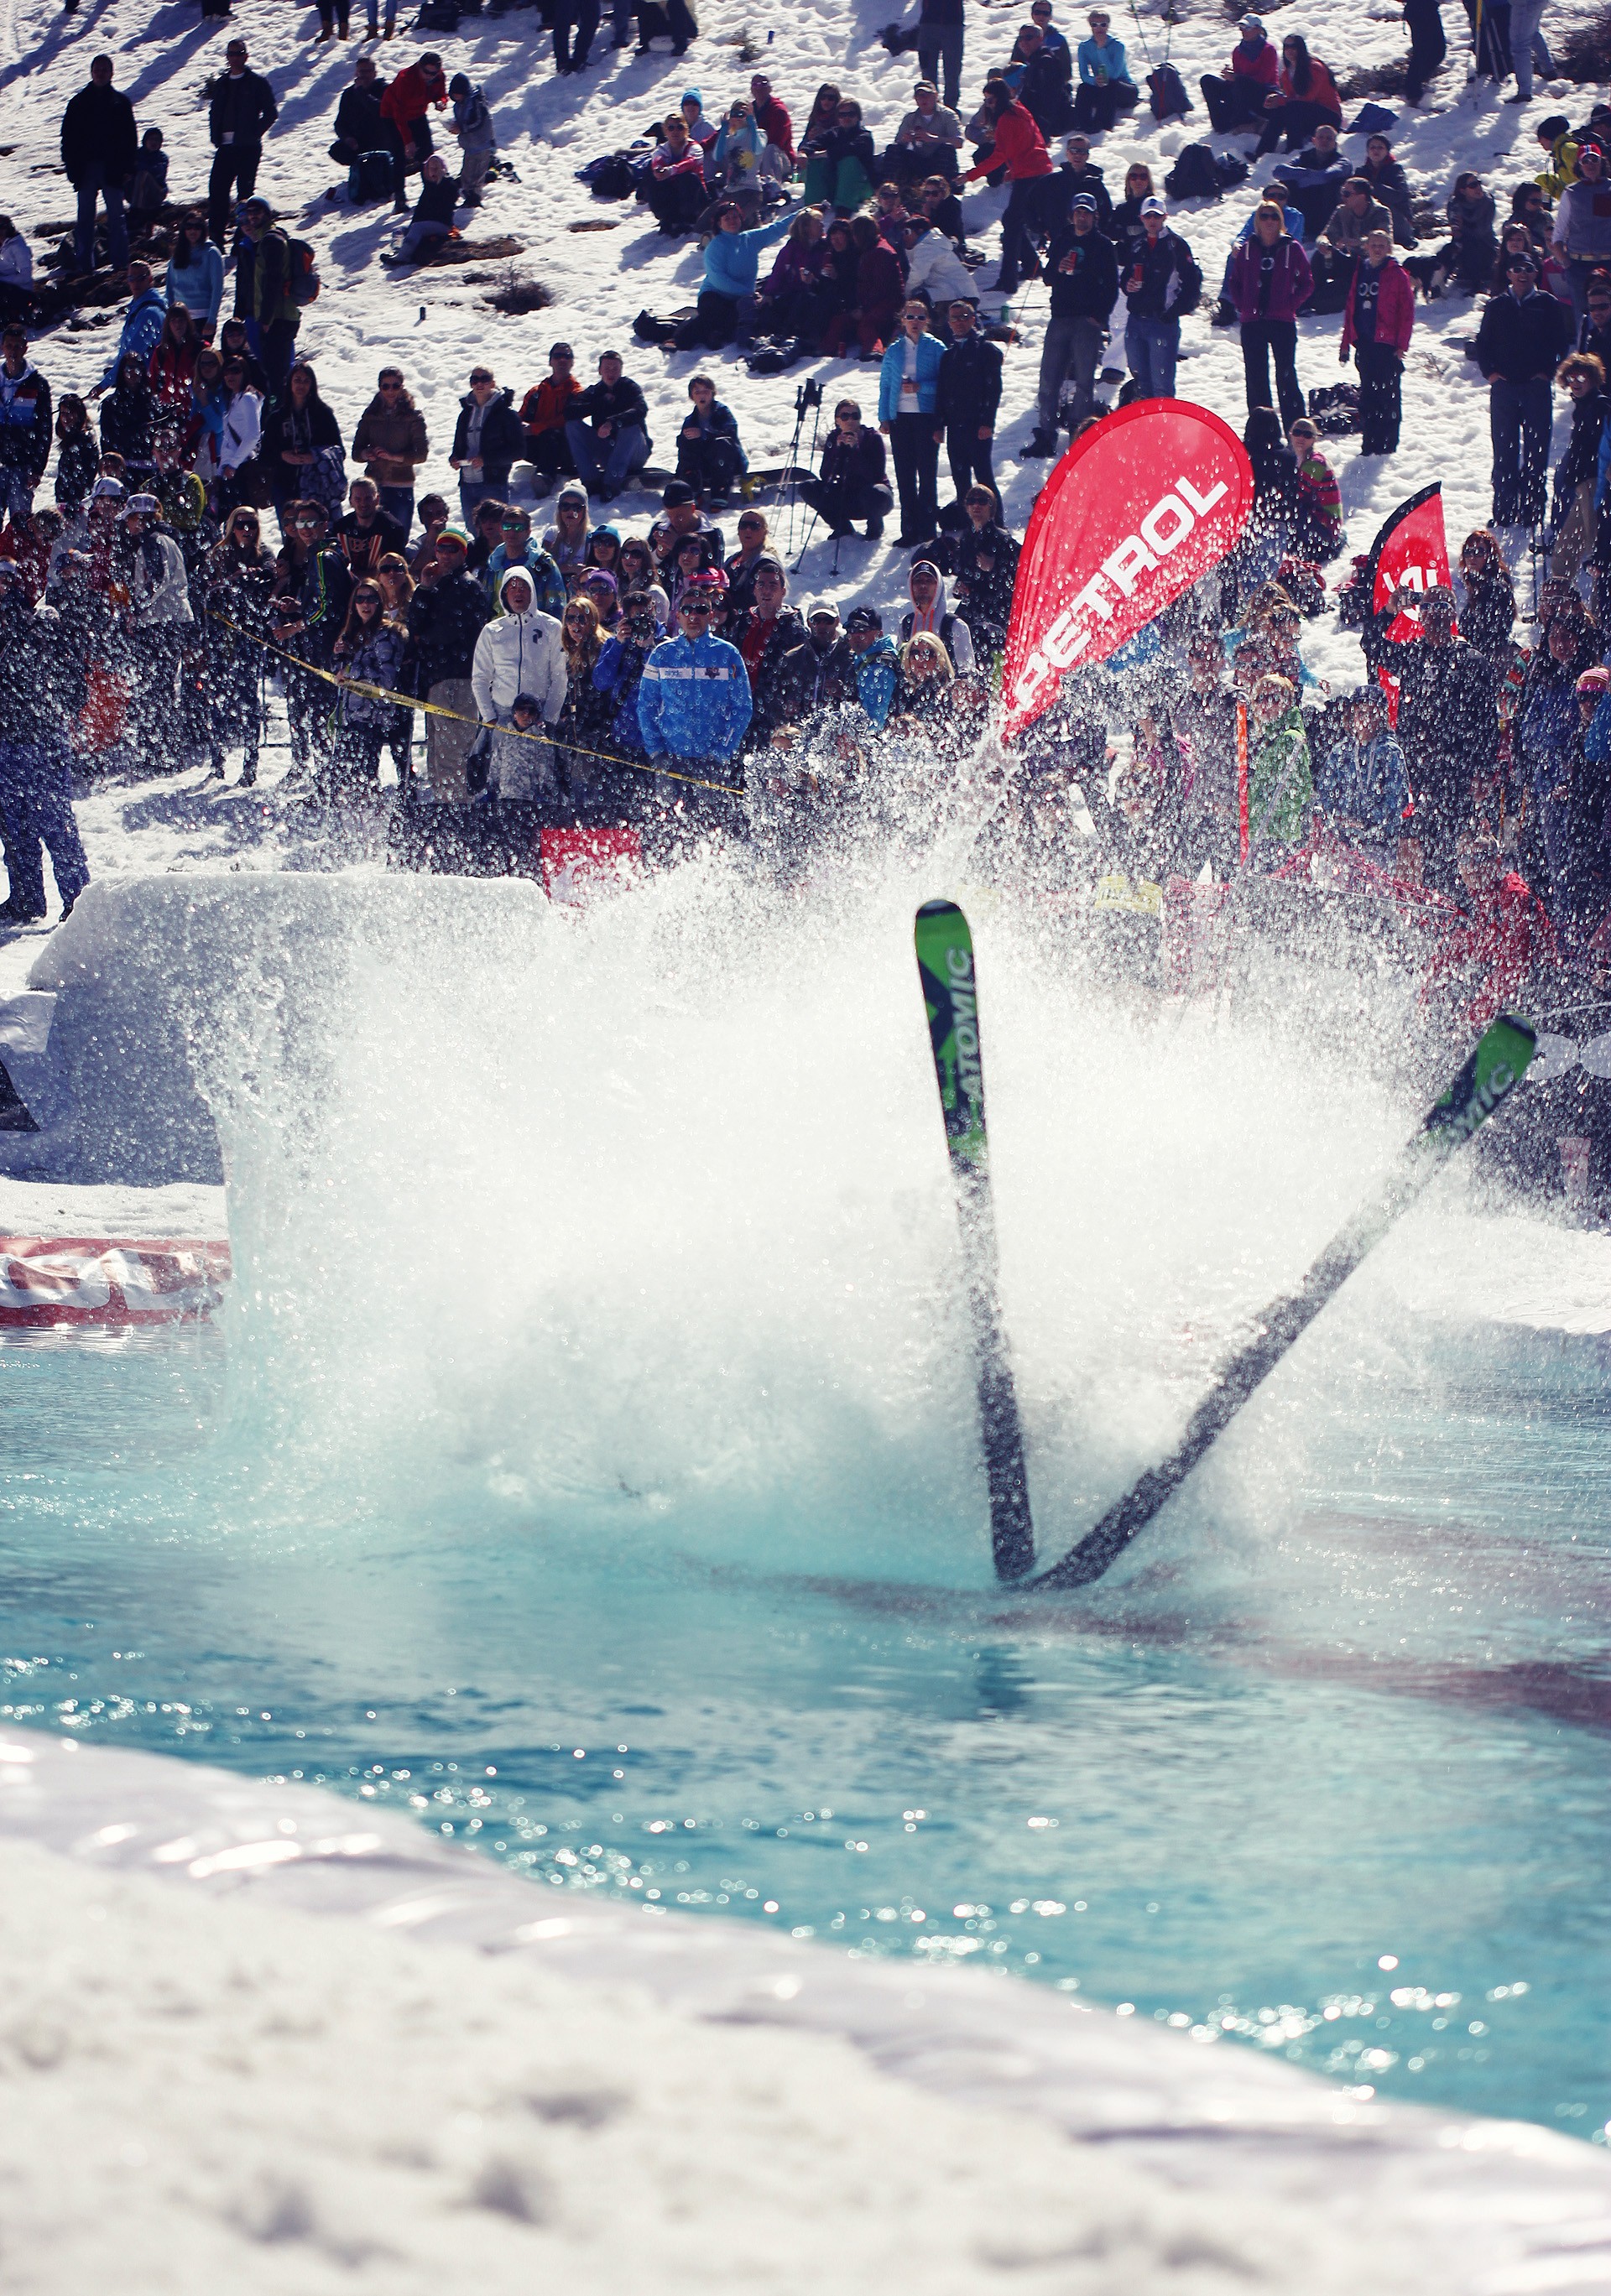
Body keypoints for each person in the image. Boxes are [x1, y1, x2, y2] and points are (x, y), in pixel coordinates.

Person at [1392, 586, 1499, 884]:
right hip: (1421, 769)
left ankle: (1456, 905)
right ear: (1419, 615)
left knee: (1458, 847)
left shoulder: (1471, 660)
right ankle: (1433, 905)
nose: (1434, 614)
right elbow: (1373, 646)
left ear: (1453, 614)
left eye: (1441, 607)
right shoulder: (1414, 655)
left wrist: (1484, 769)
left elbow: (1487, 723)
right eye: (1427, 608)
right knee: (1425, 847)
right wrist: (1390, 610)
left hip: (1459, 770)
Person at [0, 570, 90, 923]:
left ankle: (77, 906)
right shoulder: (35, 633)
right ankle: (31, 900)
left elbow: (74, 692)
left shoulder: (35, 635)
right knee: (19, 827)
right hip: (24, 743)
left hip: (36, 743)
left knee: (49, 825)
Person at [637, 584, 753, 825]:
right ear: (678, 615)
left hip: (711, 760)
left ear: (711, 615)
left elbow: (742, 708)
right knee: (667, 828)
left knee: (711, 828)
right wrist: (656, 751)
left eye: (701, 609)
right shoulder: (662, 654)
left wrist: (722, 752)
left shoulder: (728, 654)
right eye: (687, 609)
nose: (693, 615)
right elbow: (646, 706)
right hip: (671, 757)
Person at [1475, 249, 1574, 528]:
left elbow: (1561, 342)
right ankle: (1504, 512)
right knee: (1504, 451)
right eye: (1517, 269)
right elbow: (1483, 343)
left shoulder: (1548, 304)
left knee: (1536, 451)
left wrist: (1547, 373)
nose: (1522, 274)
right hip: (1504, 389)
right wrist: (1490, 373)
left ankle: (1532, 512)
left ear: (1535, 274)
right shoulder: (1497, 305)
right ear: (1508, 274)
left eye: (1528, 269)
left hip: (1536, 389)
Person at [1026, 190, 1117, 456]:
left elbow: (1111, 286)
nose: (1082, 217)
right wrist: (1058, 268)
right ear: (1072, 215)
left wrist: (1099, 317)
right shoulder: (1063, 239)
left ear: (1094, 216)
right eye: (1078, 212)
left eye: (1086, 213)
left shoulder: (1103, 245)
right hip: (1060, 317)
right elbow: (1048, 277)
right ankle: (1046, 434)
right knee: (1049, 380)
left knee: (1084, 382)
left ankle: (1079, 434)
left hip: (1087, 321)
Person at [406, 523, 492, 801]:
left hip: (458, 679)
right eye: (440, 548)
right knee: (437, 754)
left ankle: (457, 811)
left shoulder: (468, 586)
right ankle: (445, 808)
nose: (444, 554)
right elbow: (413, 624)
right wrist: (423, 588)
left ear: (463, 553)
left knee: (454, 755)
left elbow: (451, 632)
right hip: (437, 680)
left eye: (452, 549)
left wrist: (424, 638)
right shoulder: (437, 584)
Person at [202, 507, 277, 784]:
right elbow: (205, 588)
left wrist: (248, 579)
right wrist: (232, 581)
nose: (247, 530)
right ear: (232, 527)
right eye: (241, 524)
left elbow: (269, 577)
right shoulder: (218, 554)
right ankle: (217, 762)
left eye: (252, 525)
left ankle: (250, 764)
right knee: (218, 699)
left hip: (249, 636)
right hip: (220, 635)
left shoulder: (263, 553)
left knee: (248, 699)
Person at [962, 85, 1056, 296]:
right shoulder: (1019, 109)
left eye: (990, 100)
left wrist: (970, 175)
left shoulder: (1006, 119)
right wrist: (1013, 170)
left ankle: (1008, 280)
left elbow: (999, 155)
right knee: (1013, 220)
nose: (988, 105)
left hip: (1029, 174)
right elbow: (1031, 141)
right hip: (1038, 169)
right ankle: (1031, 266)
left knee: (1012, 223)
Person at [1228, 203, 1312, 433]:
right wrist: (1243, 305)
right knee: (1256, 378)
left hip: (1282, 322)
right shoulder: (1248, 249)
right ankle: (1262, 431)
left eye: (1274, 217)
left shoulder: (1292, 248)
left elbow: (1307, 282)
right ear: (1257, 221)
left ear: (1280, 221)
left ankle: (1296, 430)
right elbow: (1234, 282)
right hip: (1252, 323)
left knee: (1286, 375)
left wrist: (1290, 305)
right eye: (1264, 216)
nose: (1269, 221)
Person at [675, 201, 793, 351]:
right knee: (719, 315)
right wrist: (749, 293)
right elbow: (719, 280)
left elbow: (777, 229)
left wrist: (805, 211)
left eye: (735, 217)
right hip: (715, 296)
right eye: (727, 218)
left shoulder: (750, 239)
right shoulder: (715, 246)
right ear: (719, 223)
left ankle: (716, 333)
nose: (732, 221)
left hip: (740, 299)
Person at [60, 55, 137, 281]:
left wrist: (128, 167)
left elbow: (130, 139)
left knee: (116, 217)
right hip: (85, 169)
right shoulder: (78, 103)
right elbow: (68, 139)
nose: (100, 73)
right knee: (85, 219)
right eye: (97, 69)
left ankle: (120, 265)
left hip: (113, 168)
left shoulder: (120, 103)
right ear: (91, 72)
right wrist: (72, 168)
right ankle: (84, 266)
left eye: (104, 70)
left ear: (112, 73)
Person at [1315, 685, 1410, 862]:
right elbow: (1324, 791)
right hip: (1342, 841)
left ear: (1382, 717)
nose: (1366, 720)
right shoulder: (1341, 751)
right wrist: (1337, 818)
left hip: (1379, 843)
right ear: (1352, 716)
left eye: (1373, 714)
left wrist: (1368, 822)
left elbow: (1398, 798)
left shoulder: (1390, 751)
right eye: (1361, 713)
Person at [1342, 228, 1415, 456]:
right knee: (1368, 396)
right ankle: (1369, 442)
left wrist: (1401, 345)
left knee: (1388, 396)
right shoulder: (1361, 271)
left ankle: (1387, 445)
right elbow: (1351, 307)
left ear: (1389, 249)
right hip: (1365, 342)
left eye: (1382, 245)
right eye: (1373, 245)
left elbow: (1407, 312)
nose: (1377, 249)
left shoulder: (1397, 275)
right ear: (1366, 247)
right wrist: (1346, 342)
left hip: (1387, 345)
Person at [879, 300, 945, 547]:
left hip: (926, 417)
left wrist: (920, 387)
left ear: (927, 321)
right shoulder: (894, 350)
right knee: (905, 474)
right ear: (902, 320)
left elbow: (945, 384)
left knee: (927, 474)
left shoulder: (936, 348)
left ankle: (927, 530)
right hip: (900, 417)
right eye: (910, 317)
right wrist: (884, 417)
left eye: (920, 317)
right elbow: (886, 384)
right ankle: (908, 531)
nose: (915, 322)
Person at [1124, 200, 1200, 402]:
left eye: (1156, 216)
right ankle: (1148, 422)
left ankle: (1164, 422)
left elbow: (1191, 285)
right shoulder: (1137, 244)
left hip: (1161, 323)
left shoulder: (1176, 245)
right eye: (1148, 216)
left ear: (1165, 217)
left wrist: (1172, 312)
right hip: (1135, 320)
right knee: (1141, 386)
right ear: (1141, 218)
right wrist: (1127, 285)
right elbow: (1125, 277)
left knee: (1162, 388)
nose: (1152, 220)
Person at [206, 42, 278, 250]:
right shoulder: (222, 83)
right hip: (225, 147)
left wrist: (253, 134)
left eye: (239, 54)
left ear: (246, 56)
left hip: (248, 148)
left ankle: (242, 241)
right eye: (231, 54)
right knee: (217, 193)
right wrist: (215, 134)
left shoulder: (257, 83)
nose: (235, 58)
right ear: (227, 57)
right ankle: (216, 241)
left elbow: (271, 113)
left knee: (244, 196)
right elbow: (215, 111)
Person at [260, 362, 344, 535]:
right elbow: (265, 456)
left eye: (306, 381)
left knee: (317, 535)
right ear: (289, 383)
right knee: (291, 535)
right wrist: (283, 456)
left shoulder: (323, 414)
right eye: (297, 380)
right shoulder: (277, 418)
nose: (301, 385)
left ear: (312, 384)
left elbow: (339, 450)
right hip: (285, 485)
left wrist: (316, 456)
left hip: (317, 485)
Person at [933, 298, 1001, 508]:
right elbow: (942, 392)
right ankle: (967, 523)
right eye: (954, 319)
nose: (959, 322)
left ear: (973, 319)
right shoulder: (949, 355)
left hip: (977, 425)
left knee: (984, 478)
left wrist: (987, 422)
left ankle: (996, 522)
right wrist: (939, 425)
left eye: (964, 317)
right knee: (960, 480)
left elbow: (993, 390)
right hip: (955, 427)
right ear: (949, 323)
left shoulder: (985, 350)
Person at [566, 351, 651, 504]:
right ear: (600, 371)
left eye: (615, 368)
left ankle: (611, 484)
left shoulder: (630, 388)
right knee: (572, 426)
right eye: (607, 368)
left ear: (621, 370)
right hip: (607, 451)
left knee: (631, 427)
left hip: (634, 453)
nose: (611, 372)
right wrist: (599, 403)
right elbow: (570, 412)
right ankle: (591, 480)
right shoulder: (595, 392)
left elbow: (640, 409)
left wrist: (613, 422)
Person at [803, 398, 894, 541]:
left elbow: (875, 475)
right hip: (846, 494)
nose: (850, 420)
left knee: (874, 493)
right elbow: (826, 475)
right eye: (845, 416)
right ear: (837, 420)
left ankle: (875, 529)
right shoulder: (834, 438)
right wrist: (837, 450)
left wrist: (856, 450)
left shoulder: (872, 438)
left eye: (855, 416)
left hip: (873, 497)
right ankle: (842, 527)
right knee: (808, 487)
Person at [351, 368, 427, 536]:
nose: (390, 391)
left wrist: (394, 457)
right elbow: (356, 452)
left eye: (395, 386)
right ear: (380, 387)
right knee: (371, 538)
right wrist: (366, 454)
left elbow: (421, 454)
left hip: (401, 485)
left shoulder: (412, 416)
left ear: (402, 387)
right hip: (374, 486)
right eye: (385, 386)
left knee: (398, 536)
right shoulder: (370, 415)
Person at [1551, 351, 1607, 583]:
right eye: (1571, 378)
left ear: (1593, 379)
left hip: (1596, 483)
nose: (1575, 383)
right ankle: (1558, 593)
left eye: (1581, 378)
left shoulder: (1601, 405)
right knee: (1567, 545)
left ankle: (1601, 599)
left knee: (1599, 547)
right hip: (1583, 484)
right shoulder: (1583, 407)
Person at [233, 203, 301, 393]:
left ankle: (280, 405)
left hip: (275, 317)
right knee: (269, 369)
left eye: (256, 212)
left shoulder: (271, 240)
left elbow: (273, 282)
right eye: (245, 217)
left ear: (267, 214)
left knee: (278, 372)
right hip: (260, 315)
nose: (249, 220)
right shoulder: (250, 246)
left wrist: (266, 319)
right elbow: (243, 285)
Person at [448, 365, 523, 523]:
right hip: (467, 484)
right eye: (475, 380)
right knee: (473, 530)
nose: (479, 384)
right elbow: (459, 447)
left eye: (485, 379)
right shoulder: (465, 414)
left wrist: (486, 460)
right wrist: (454, 459)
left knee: (495, 529)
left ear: (493, 383)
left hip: (493, 483)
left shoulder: (507, 414)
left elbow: (518, 450)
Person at [380, 53, 449, 216]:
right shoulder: (405, 79)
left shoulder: (439, 77)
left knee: (427, 154)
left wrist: (441, 101)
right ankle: (400, 199)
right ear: (419, 67)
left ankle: (431, 193)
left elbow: (440, 94)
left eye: (434, 73)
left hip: (417, 114)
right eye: (427, 72)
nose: (430, 77)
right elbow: (398, 114)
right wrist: (408, 141)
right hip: (393, 116)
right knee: (399, 155)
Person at [1252, 34, 1342, 158]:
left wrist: (1281, 100)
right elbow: (1291, 99)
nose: (1289, 51)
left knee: (1293, 106)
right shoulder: (1286, 73)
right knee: (1281, 111)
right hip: (1307, 116)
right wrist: (1275, 100)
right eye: (1286, 47)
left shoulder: (1315, 68)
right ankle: (1261, 153)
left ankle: (1293, 148)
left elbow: (1308, 99)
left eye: (1293, 47)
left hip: (1329, 117)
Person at [1551, 143, 1611, 327]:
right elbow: (1559, 232)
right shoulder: (1571, 193)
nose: (1590, 164)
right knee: (1583, 319)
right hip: (1579, 265)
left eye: (1594, 160)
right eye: (1586, 161)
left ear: (1602, 163)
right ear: (1579, 165)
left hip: (1608, 262)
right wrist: (1566, 263)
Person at [1309, 178, 1390, 307]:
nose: (1343, 197)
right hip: (1352, 262)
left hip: (1373, 268)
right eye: (1342, 192)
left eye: (1347, 194)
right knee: (1320, 255)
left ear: (1362, 196)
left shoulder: (1381, 212)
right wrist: (1323, 242)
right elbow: (1326, 234)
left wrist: (1357, 242)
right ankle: (1312, 293)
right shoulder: (1342, 211)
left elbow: (1385, 241)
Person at [0, 329, 50, 530]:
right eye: (9, 346)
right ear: (2, 348)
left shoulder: (37, 384)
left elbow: (44, 430)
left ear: (25, 348)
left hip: (23, 467)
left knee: (20, 526)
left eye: (17, 346)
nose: (13, 351)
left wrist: (38, 469)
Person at [517, 345, 580, 499]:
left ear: (572, 362)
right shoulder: (536, 392)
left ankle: (546, 478)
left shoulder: (577, 393)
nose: (562, 360)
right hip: (537, 447)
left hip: (565, 449)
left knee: (550, 434)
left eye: (567, 357)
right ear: (550, 361)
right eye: (558, 356)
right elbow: (522, 416)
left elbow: (565, 421)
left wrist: (534, 428)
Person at [674, 374, 746, 507]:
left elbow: (730, 433)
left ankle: (720, 494)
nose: (702, 396)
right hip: (704, 466)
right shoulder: (690, 420)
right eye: (697, 392)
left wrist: (704, 434)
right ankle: (693, 489)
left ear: (712, 393)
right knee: (685, 441)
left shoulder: (722, 412)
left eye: (706, 392)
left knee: (722, 443)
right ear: (692, 396)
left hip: (728, 464)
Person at [1200, 15, 1280, 135]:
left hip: (1263, 93)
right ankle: (1219, 122)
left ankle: (1243, 120)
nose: (1243, 32)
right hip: (1241, 90)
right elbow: (1238, 76)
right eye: (1241, 28)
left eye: (1247, 28)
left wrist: (1236, 77)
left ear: (1258, 29)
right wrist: (1230, 76)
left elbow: (1263, 79)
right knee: (1207, 80)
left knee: (1241, 82)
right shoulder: (1238, 51)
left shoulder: (1268, 50)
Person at [96, 263, 166, 396]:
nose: (136, 283)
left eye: (141, 278)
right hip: (136, 380)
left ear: (150, 279)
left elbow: (132, 354)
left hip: (145, 384)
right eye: (132, 279)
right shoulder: (138, 307)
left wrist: (104, 385)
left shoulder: (150, 313)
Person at [800, 97, 878, 214]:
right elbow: (816, 143)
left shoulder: (865, 137)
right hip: (836, 184)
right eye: (842, 115)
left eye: (851, 114)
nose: (846, 118)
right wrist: (804, 152)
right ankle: (813, 206)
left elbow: (848, 149)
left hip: (860, 186)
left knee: (849, 161)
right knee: (813, 161)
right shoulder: (834, 133)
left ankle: (844, 210)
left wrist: (826, 153)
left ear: (858, 117)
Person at [482, 505, 566, 616]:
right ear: (500, 530)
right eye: (507, 526)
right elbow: (486, 605)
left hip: (536, 624)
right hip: (501, 625)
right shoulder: (494, 565)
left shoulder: (543, 563)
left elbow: (556, 604)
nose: (512, 532)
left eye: (518, 527)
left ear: (528, 532)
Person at [883, 80, 965, 184]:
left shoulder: (948, 115)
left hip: (939, 159)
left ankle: (944, 187)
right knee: (893, 149)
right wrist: (905, 140)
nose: (923, 99)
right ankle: (891, 188)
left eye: (927, 95)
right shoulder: (910, 118)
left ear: (935, 96)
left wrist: (933, 139)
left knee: (946, 149)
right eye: (919, 96)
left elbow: (959, 142)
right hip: (917, 159)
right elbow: (898, 142)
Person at [335, 56, 389, 202]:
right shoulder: (348, 94)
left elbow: (380, 112)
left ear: (375, 73)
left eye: (368, 71)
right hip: (359, 140)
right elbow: (340, 123)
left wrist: (362, 93)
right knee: (337, 150)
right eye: (361, 72)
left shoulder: (384, 90)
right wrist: (347, 138)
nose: (364, 75)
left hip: (382, 139)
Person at [1456, 528, 1517, 657]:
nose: (1472, 557)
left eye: (1479, 552)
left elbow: (1493, 636)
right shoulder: (1478, 585)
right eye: (1468, 552)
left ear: (1490, 555)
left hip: (1488, 658)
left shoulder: (1495, 588)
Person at [1073, 10, 1137, 133]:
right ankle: (1082, 123)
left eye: (1103, 24)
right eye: (1095, 24)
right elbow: (1084, 74)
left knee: (1110, 84)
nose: (1099, 28)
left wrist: (1101, 49)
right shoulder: (1085, 47)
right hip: (1102, 87)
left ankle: (1103, 125)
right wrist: (1093, 81)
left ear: (1108, 26)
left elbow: (1114, 75)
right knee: (1084, 87)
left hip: (1124, 89)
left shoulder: (1118, 46)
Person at [165, 214, 226, 341]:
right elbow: (170, 288)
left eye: (197, 227)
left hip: (203, 318)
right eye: (189, 226)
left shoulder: (212, 253)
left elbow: (217, 289)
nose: (193, 230)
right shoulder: (177, 254)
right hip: (179, 319)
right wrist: (170, 316)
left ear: (203, 230)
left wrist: (212, 320)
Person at [647, 114, 707, 237]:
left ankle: (689, 219)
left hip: (696, 199)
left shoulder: (695, 148)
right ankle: (666, 216)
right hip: (673, 197)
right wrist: (659, 171)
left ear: (686, 130)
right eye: (671, 128)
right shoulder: (661, 150)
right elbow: (657, 161)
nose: (675, 131)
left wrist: (670, 170)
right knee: (651, 177)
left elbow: (690, 162)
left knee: (687, 177)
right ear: (665, 131)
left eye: (679, 127)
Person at [335, 477, 407, 576]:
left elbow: (393, 568)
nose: (363, 503)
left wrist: (359, 577)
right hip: (346, 582)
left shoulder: (392, 528)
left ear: (377, 499)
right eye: (358, 499)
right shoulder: (340, 527)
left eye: (368, 498)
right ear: (351, 501)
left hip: (381, 583)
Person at [53, 395, 97, 513]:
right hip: (68, 503)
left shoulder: (84, 440)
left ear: (79, 415)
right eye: (63, 413)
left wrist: (72, 505)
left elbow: (83, 477)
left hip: (77, 506)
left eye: (71, 413)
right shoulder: (73, 439)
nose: (66, 418)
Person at [1402, 0, 1447, 103]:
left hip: (1425, 9)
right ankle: (1413, 93)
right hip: (1421, 11)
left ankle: (1415, 88)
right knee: (1428, 52)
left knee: (1433, 52)